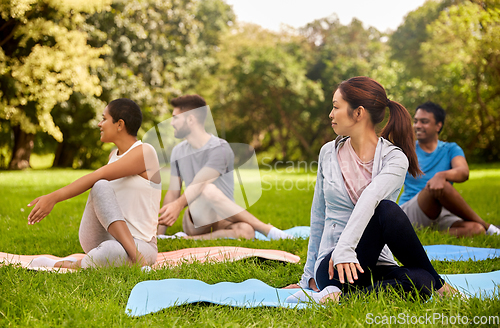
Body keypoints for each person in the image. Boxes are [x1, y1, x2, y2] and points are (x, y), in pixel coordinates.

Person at [285, 77, 455, 303]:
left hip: (376, 264)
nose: (331, 114)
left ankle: (337, 299)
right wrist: (308, 277)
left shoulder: (394, 158)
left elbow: (371, 197)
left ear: (358, 113)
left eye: (336, 107)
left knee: (420, 277)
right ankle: (440, 287)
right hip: (335, 266)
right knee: (425, 281)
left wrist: (349, 248)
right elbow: (319, 215)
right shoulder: (328, 152)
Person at [27, 98, 162, 269]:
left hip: (142, 244)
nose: (99, 124)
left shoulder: (145, 152)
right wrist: (52, 198)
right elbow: (99, 183)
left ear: (119, 124)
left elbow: (96, 175)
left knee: (110, 252)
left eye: (104, 118)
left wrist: (54, 197)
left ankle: (68, 264)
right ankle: (134, 259)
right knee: (100, 186)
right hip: (107, 237)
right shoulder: (113, 156)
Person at [157, 94, 291, 240]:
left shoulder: (220, 148)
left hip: (223, 218)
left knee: (247, 231)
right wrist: (159, 234)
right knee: (207, 189)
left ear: (190, 119)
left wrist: (178, 206)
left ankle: (185, 239)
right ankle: (267, 229)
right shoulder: (178, 151)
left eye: (175, 117)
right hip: (196, 219)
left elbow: (201, 181)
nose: (171, 123)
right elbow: (173, 192)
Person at [399, 101, 499, 237]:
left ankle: (429, 235)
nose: (417, 126)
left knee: (476, 229)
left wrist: (441, 175)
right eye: (416, 121)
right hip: (410, 210)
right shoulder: (407, 150)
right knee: (442, 186)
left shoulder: (451, 149)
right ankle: (489, 227)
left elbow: (463, 172)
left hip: (440, 211)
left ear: (438, 126)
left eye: (424, 121)